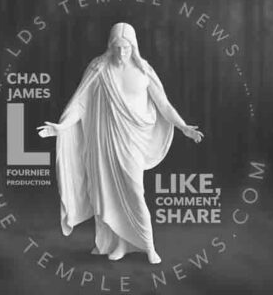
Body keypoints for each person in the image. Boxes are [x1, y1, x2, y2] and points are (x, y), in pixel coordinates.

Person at [38, 21, 202, 267]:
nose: (121, 53)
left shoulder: (144, 71)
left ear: (133, 47)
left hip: (132, 142)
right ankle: (120, 244)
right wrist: (61, 127)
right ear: (110, 46)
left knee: (135, 192)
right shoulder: (98, 69)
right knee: (109, 194)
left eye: (126, 48)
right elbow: (80, 103)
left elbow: (164, 105)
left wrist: (183, 126)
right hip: (105, 143)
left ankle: (149, 246)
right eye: (117, 47)